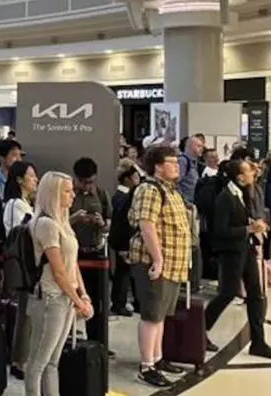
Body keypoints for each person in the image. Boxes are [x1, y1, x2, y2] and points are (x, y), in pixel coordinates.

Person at [204, 160, 271, 360]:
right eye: (249, 171)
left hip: (246, 250)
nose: (253, 174)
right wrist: (248, 229)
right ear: (239, 177)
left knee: (256, 295)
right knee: (227, 293)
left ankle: (258, 342)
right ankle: (199, 329)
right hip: (231, 253)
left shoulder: (242, 194)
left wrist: (255, 225)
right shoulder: (225, 198)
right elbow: (220, 230)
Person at [24, 171, 93, 396]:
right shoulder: (46, 224)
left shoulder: (62, 223)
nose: (72, 194)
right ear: (53, 193)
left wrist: (82, 295)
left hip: (64, 298)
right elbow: (58, 271)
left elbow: (71, 265)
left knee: (53, 361)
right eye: (67, 190)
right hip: (50, 297)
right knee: (38, 362)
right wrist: (78, 300)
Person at [129, 145, 193, 388]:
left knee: (161, 316)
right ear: (157, 166)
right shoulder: (150, 190)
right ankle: (147, 366)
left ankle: (157, 358)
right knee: (151, 316)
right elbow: (147, 226)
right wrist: (157, 259)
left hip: (173, 265)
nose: (177, 166)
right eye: (171, 162)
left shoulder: (171, 190)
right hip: (154, 264)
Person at [0, 160, 38, 378]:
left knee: (28, 313)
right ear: (19, 180)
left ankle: (23, 356)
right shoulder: (15, 205)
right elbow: (22, 236)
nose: (35, 179)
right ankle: (19, 359)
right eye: (31, 176)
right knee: (24, 313)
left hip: (30, 265)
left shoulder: (25, 204)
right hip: (22, 266)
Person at [110, 160, 141, 317]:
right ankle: (118, 303)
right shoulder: (122, 197)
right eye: (136, 176)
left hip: (126, 240)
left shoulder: (123, 196)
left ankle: (135, 302)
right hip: (124, 241)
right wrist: (123, 246)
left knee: (129, 272)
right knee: (123, 273)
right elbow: (122, 223)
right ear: (128, 178)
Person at [178, 135, 204, 204]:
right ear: (190, 147)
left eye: (202, 146)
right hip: (184, 203)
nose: (202, 149)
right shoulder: (182, 161)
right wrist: (184, 201)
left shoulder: (194, 162)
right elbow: (176, 183)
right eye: (198, 146)